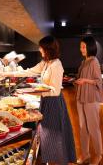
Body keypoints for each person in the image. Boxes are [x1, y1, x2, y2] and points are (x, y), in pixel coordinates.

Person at [25, 36, 76, 164]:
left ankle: (59, 161)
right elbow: (31, 71)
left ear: (47, 49)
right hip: (46, 101)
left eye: (41, 47)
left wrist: (36, 91)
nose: (39, 49)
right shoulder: (46, 63)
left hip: (54, 103)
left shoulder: (56, 64)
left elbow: (55, 91)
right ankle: (50, 160)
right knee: (46, 134)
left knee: (54, 135)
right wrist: (6, 73)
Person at [75, 36, 103, 165]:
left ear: (90, 47)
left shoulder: (94, 62)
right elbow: (81, 78)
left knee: (93, 127)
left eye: (83, 47)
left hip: (91, 98)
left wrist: (85, 80)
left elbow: (99, 81)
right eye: (81, 46)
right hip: (81, 97)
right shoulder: (84, 62)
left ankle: (98, 155)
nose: (81, 49)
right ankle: (85, 154)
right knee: (82, 127)